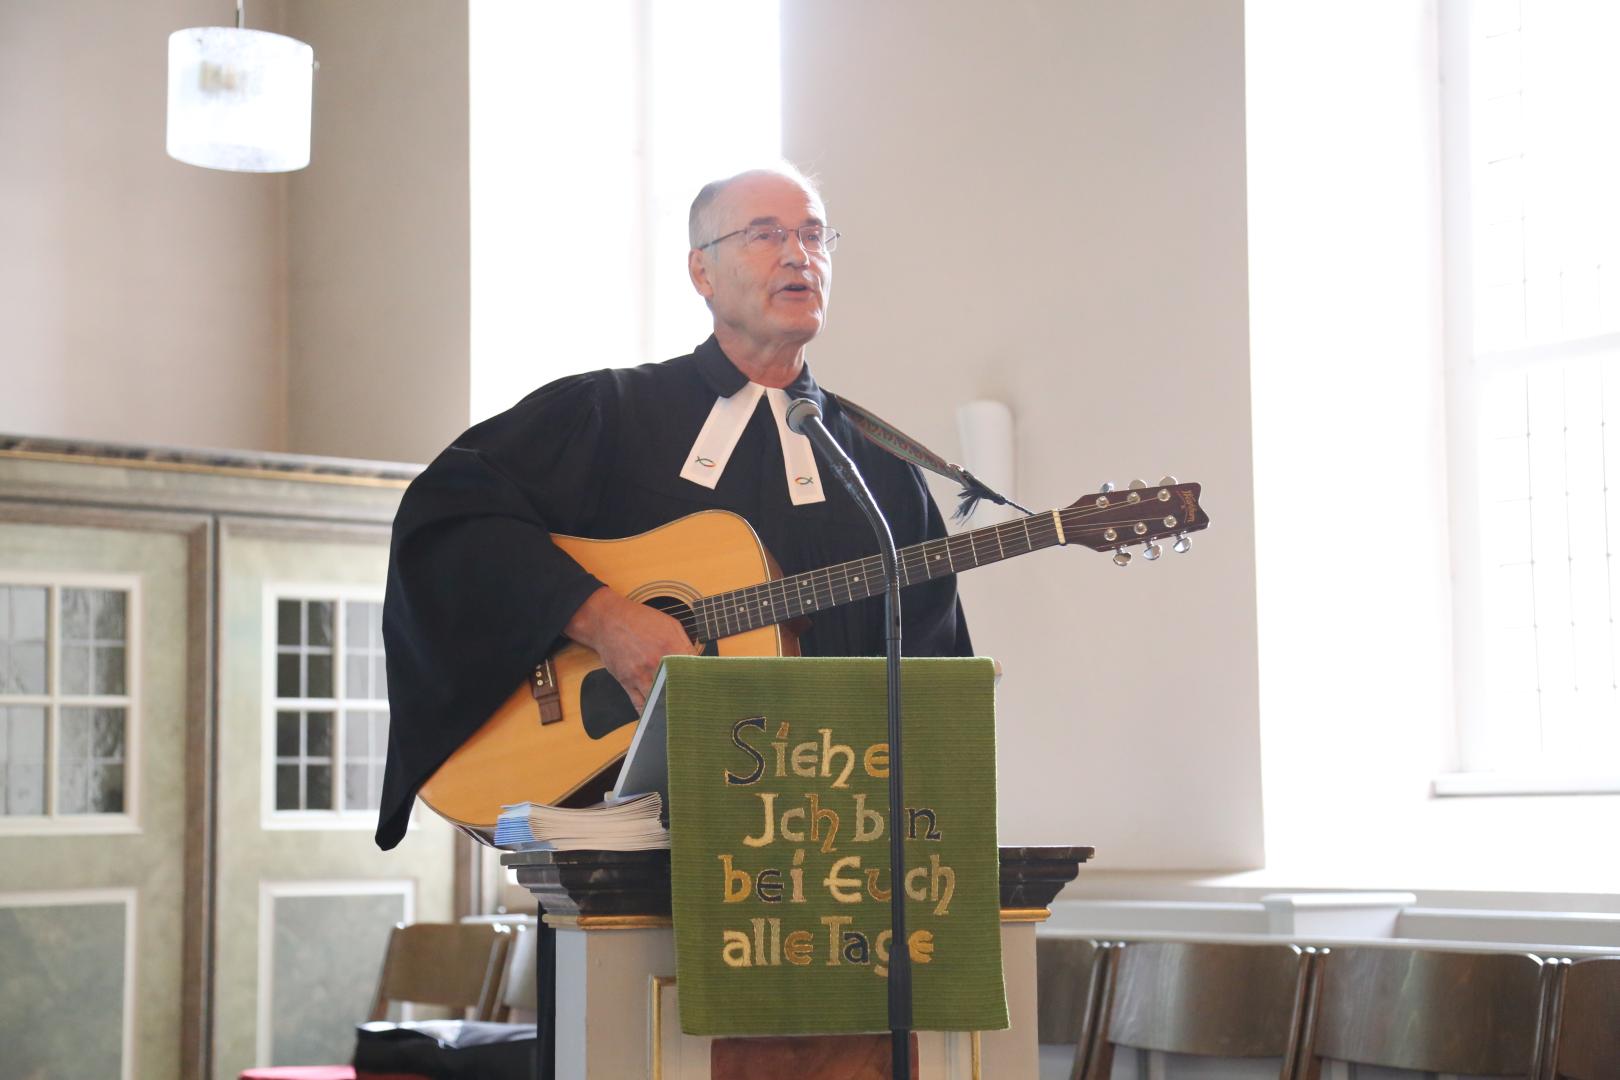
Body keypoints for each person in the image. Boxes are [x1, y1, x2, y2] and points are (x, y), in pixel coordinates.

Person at [375, 165, 971, 850]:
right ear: (701, 272)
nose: (797, 253)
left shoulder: (883, 469)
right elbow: (449, 522)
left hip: (825, 850)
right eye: (765, 233)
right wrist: (602, 617)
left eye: (813, 235)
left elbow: (936, 681)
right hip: (629, 846)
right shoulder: (610, 414)